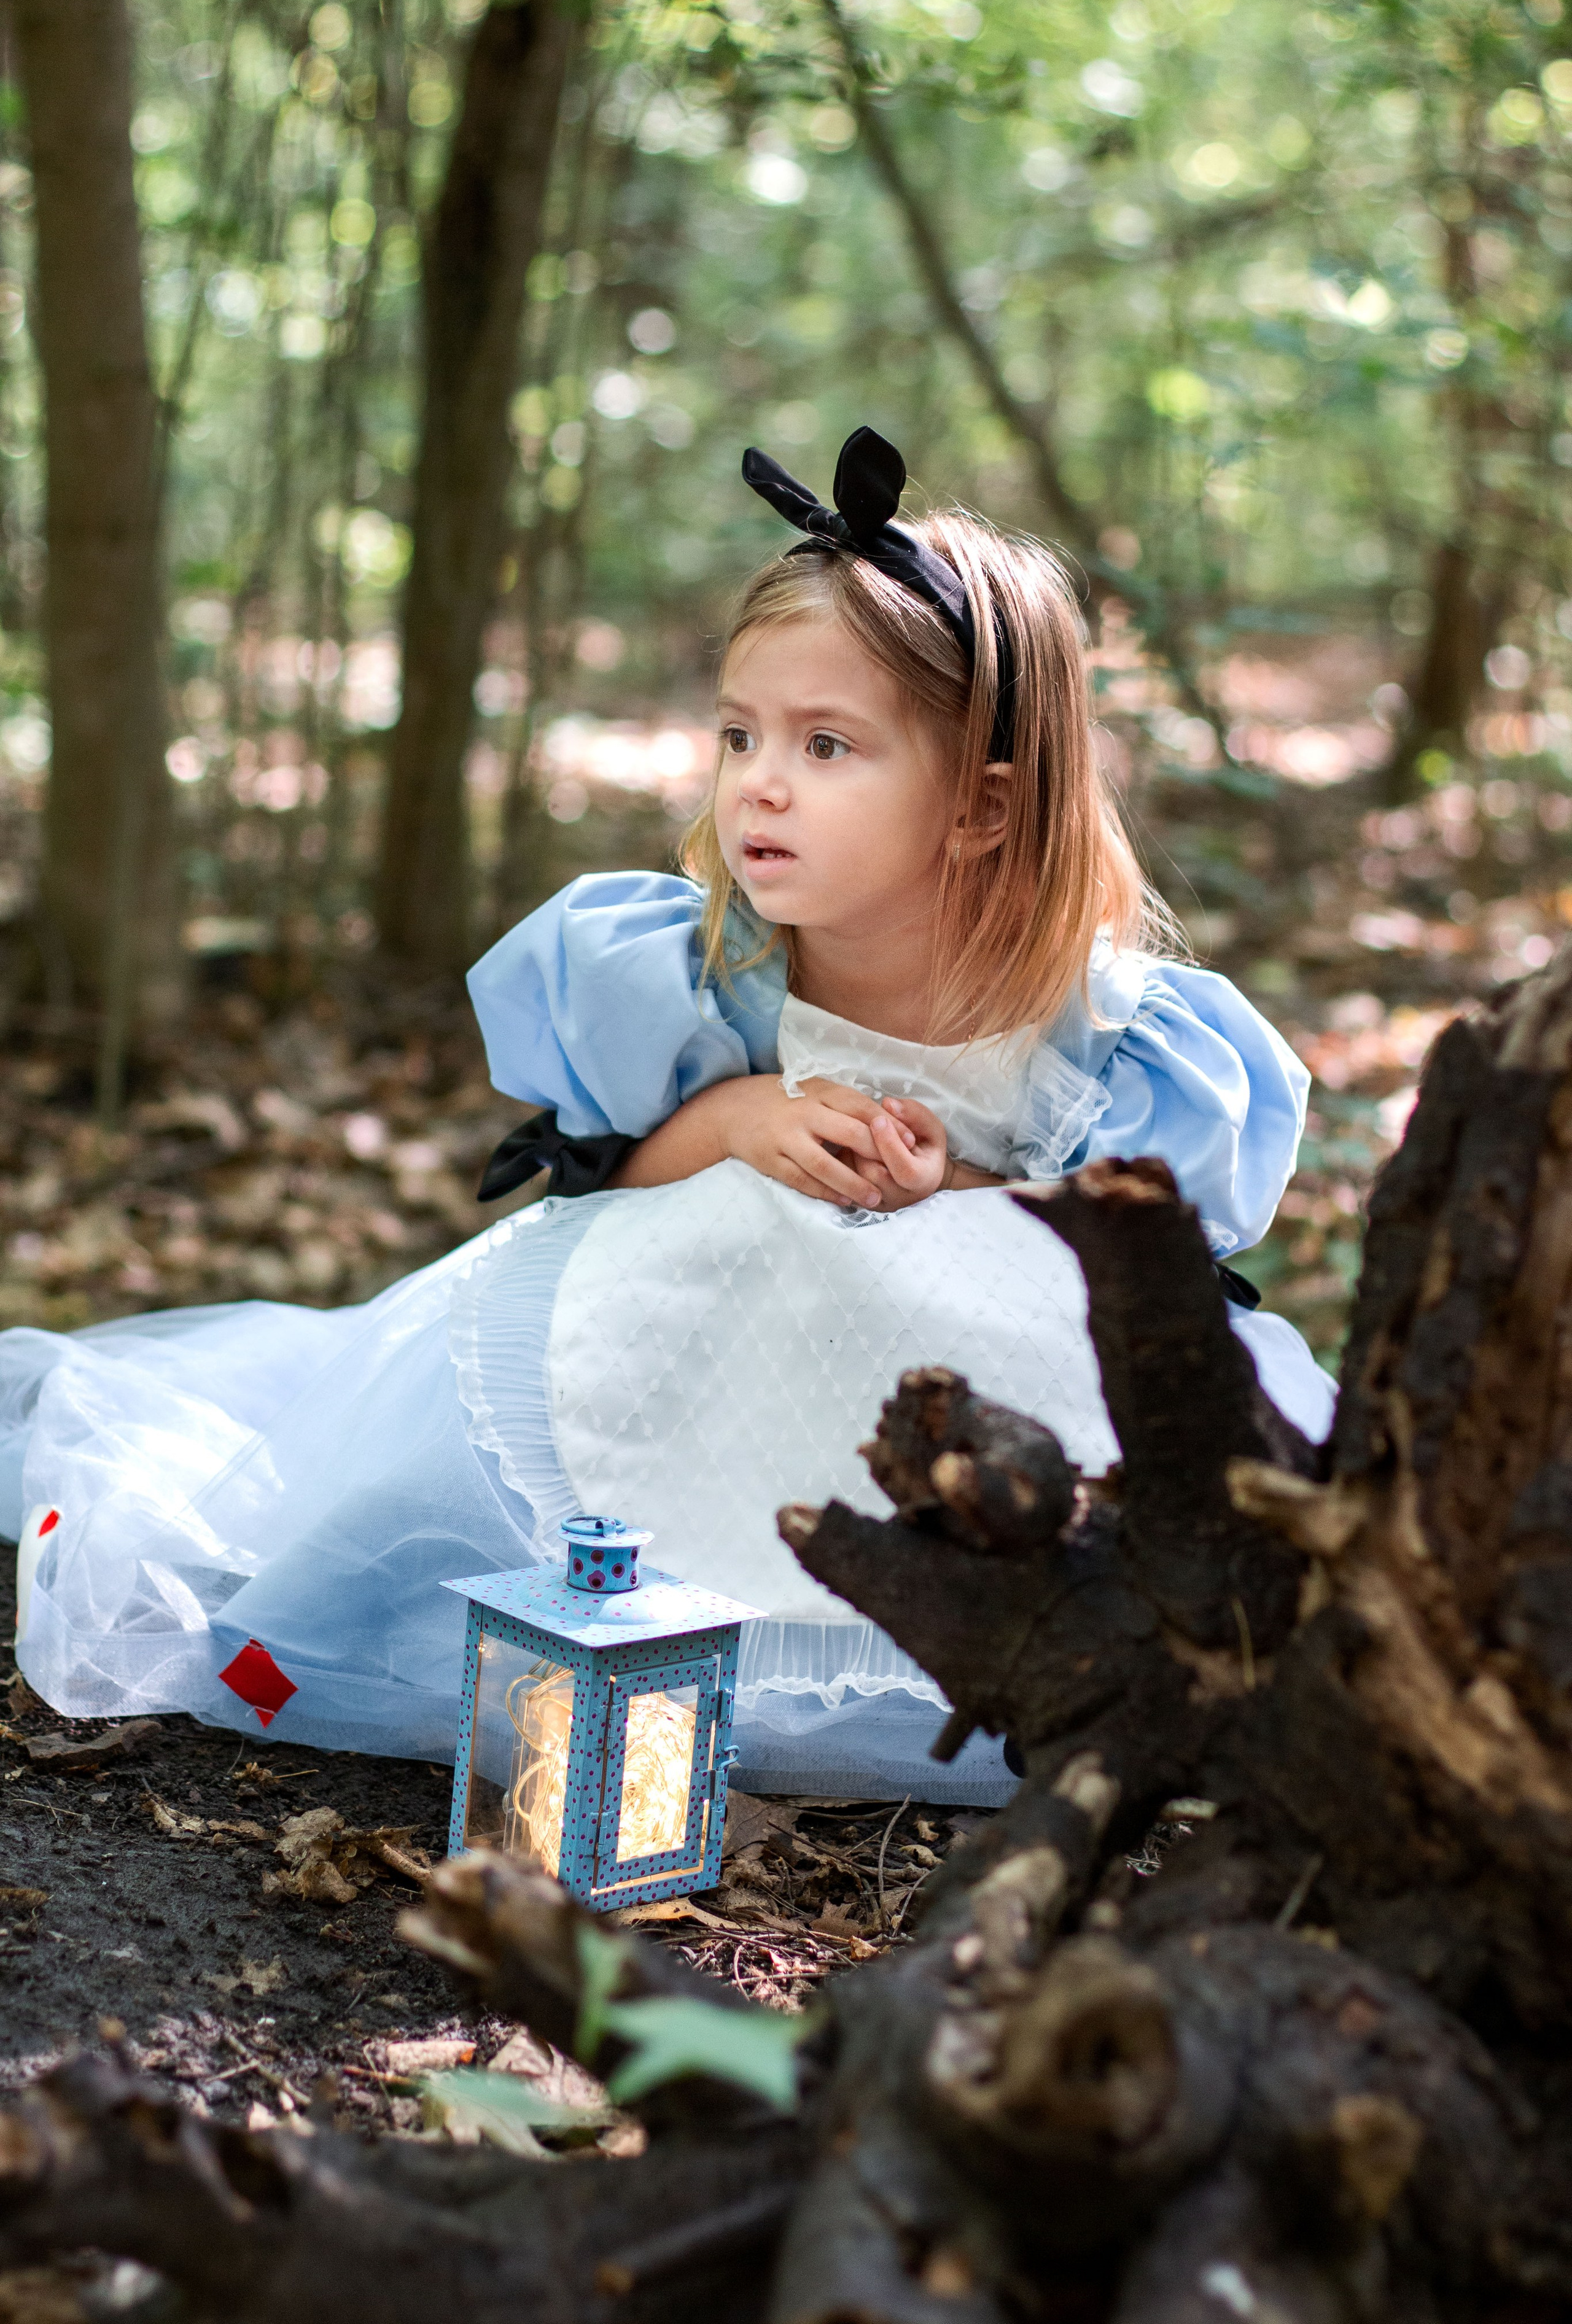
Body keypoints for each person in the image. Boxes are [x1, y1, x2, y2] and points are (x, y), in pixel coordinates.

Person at [0, 429, 1332, 1808]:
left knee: (1011, 1319)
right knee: (739, 1219)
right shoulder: (709, 973)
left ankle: (940, 1661)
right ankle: (601, 1610)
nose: (758, 781)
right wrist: (746, 1116)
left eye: (827, 746)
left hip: (962, 1425)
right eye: (740, 735)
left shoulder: (1116, 1039)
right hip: (711, 1368)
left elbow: (1144, 1286)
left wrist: (975, 1187)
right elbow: (614, 1190)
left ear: (985, 806)